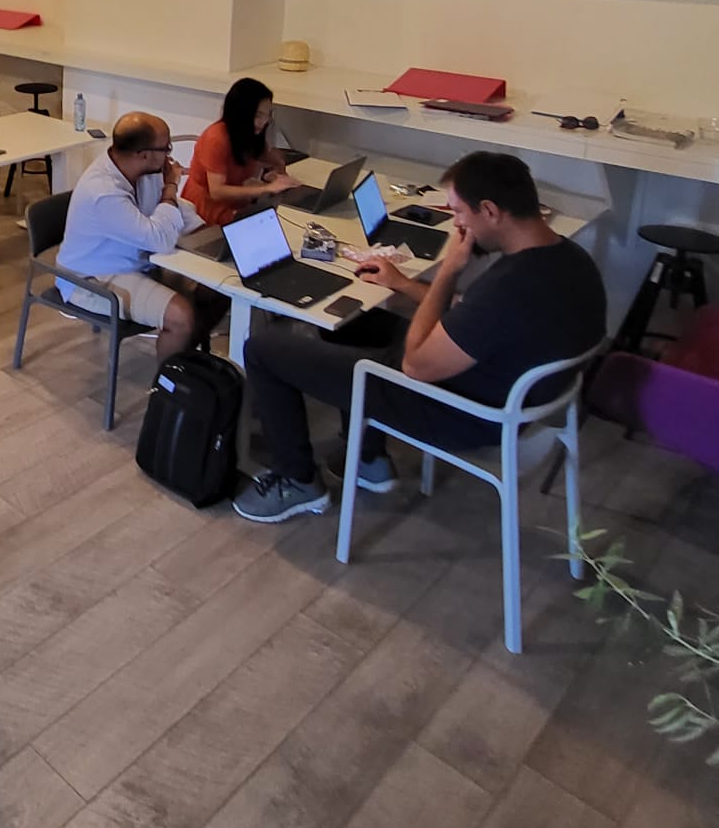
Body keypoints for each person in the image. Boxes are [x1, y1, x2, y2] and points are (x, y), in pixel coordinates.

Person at [232, 150, 608, 524]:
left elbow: (414, 365)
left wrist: (449, 270)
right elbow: (469, 310)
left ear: (490, 211)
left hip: (463, 412)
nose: (457, 225)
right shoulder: (571, 259)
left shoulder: (510, 286)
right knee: (355, 323)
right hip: (508, 390)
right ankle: (368, 459)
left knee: (264, 350)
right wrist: (402, 284)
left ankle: (298, 482)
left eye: (458, 213)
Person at [55, 110, 206, 358]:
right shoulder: (104, 192)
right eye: (165, 148)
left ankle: (186, 362)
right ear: (144, 154)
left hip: (137, 264)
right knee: (180, 316)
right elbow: (160, 239)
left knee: (213, 290)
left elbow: (172, 209)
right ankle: (167, 380)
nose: (169, 156)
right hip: (91, 277)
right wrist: (171, 186)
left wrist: (208, 234)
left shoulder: (146, 170)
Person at [181, 76, 297, 228]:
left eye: (268, 114)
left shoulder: (251, 134)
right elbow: (217, 192)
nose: (264, 122)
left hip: (236, 206)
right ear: (240, 113)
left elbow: (274, 159)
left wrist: (277, 173)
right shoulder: (216, 138)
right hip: (204, 213)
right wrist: (265, 188)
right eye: (258, 115)